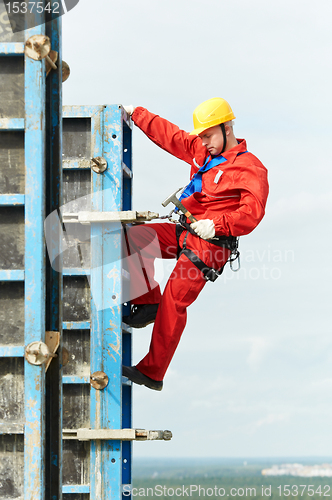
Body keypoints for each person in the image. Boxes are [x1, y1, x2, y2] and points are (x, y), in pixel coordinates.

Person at [122, 98, 269, 391]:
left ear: (228, 128)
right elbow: (172, 136)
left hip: (210, 246)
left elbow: (253, 212)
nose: (204, 142)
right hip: (186, 231)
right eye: (201, 136)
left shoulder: (251, 169)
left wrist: (217, 224)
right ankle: (148, 302)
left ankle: (153, 371)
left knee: (174, 301)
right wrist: (137, 114)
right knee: (134, 237)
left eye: (208, 135)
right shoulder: (201, 151)